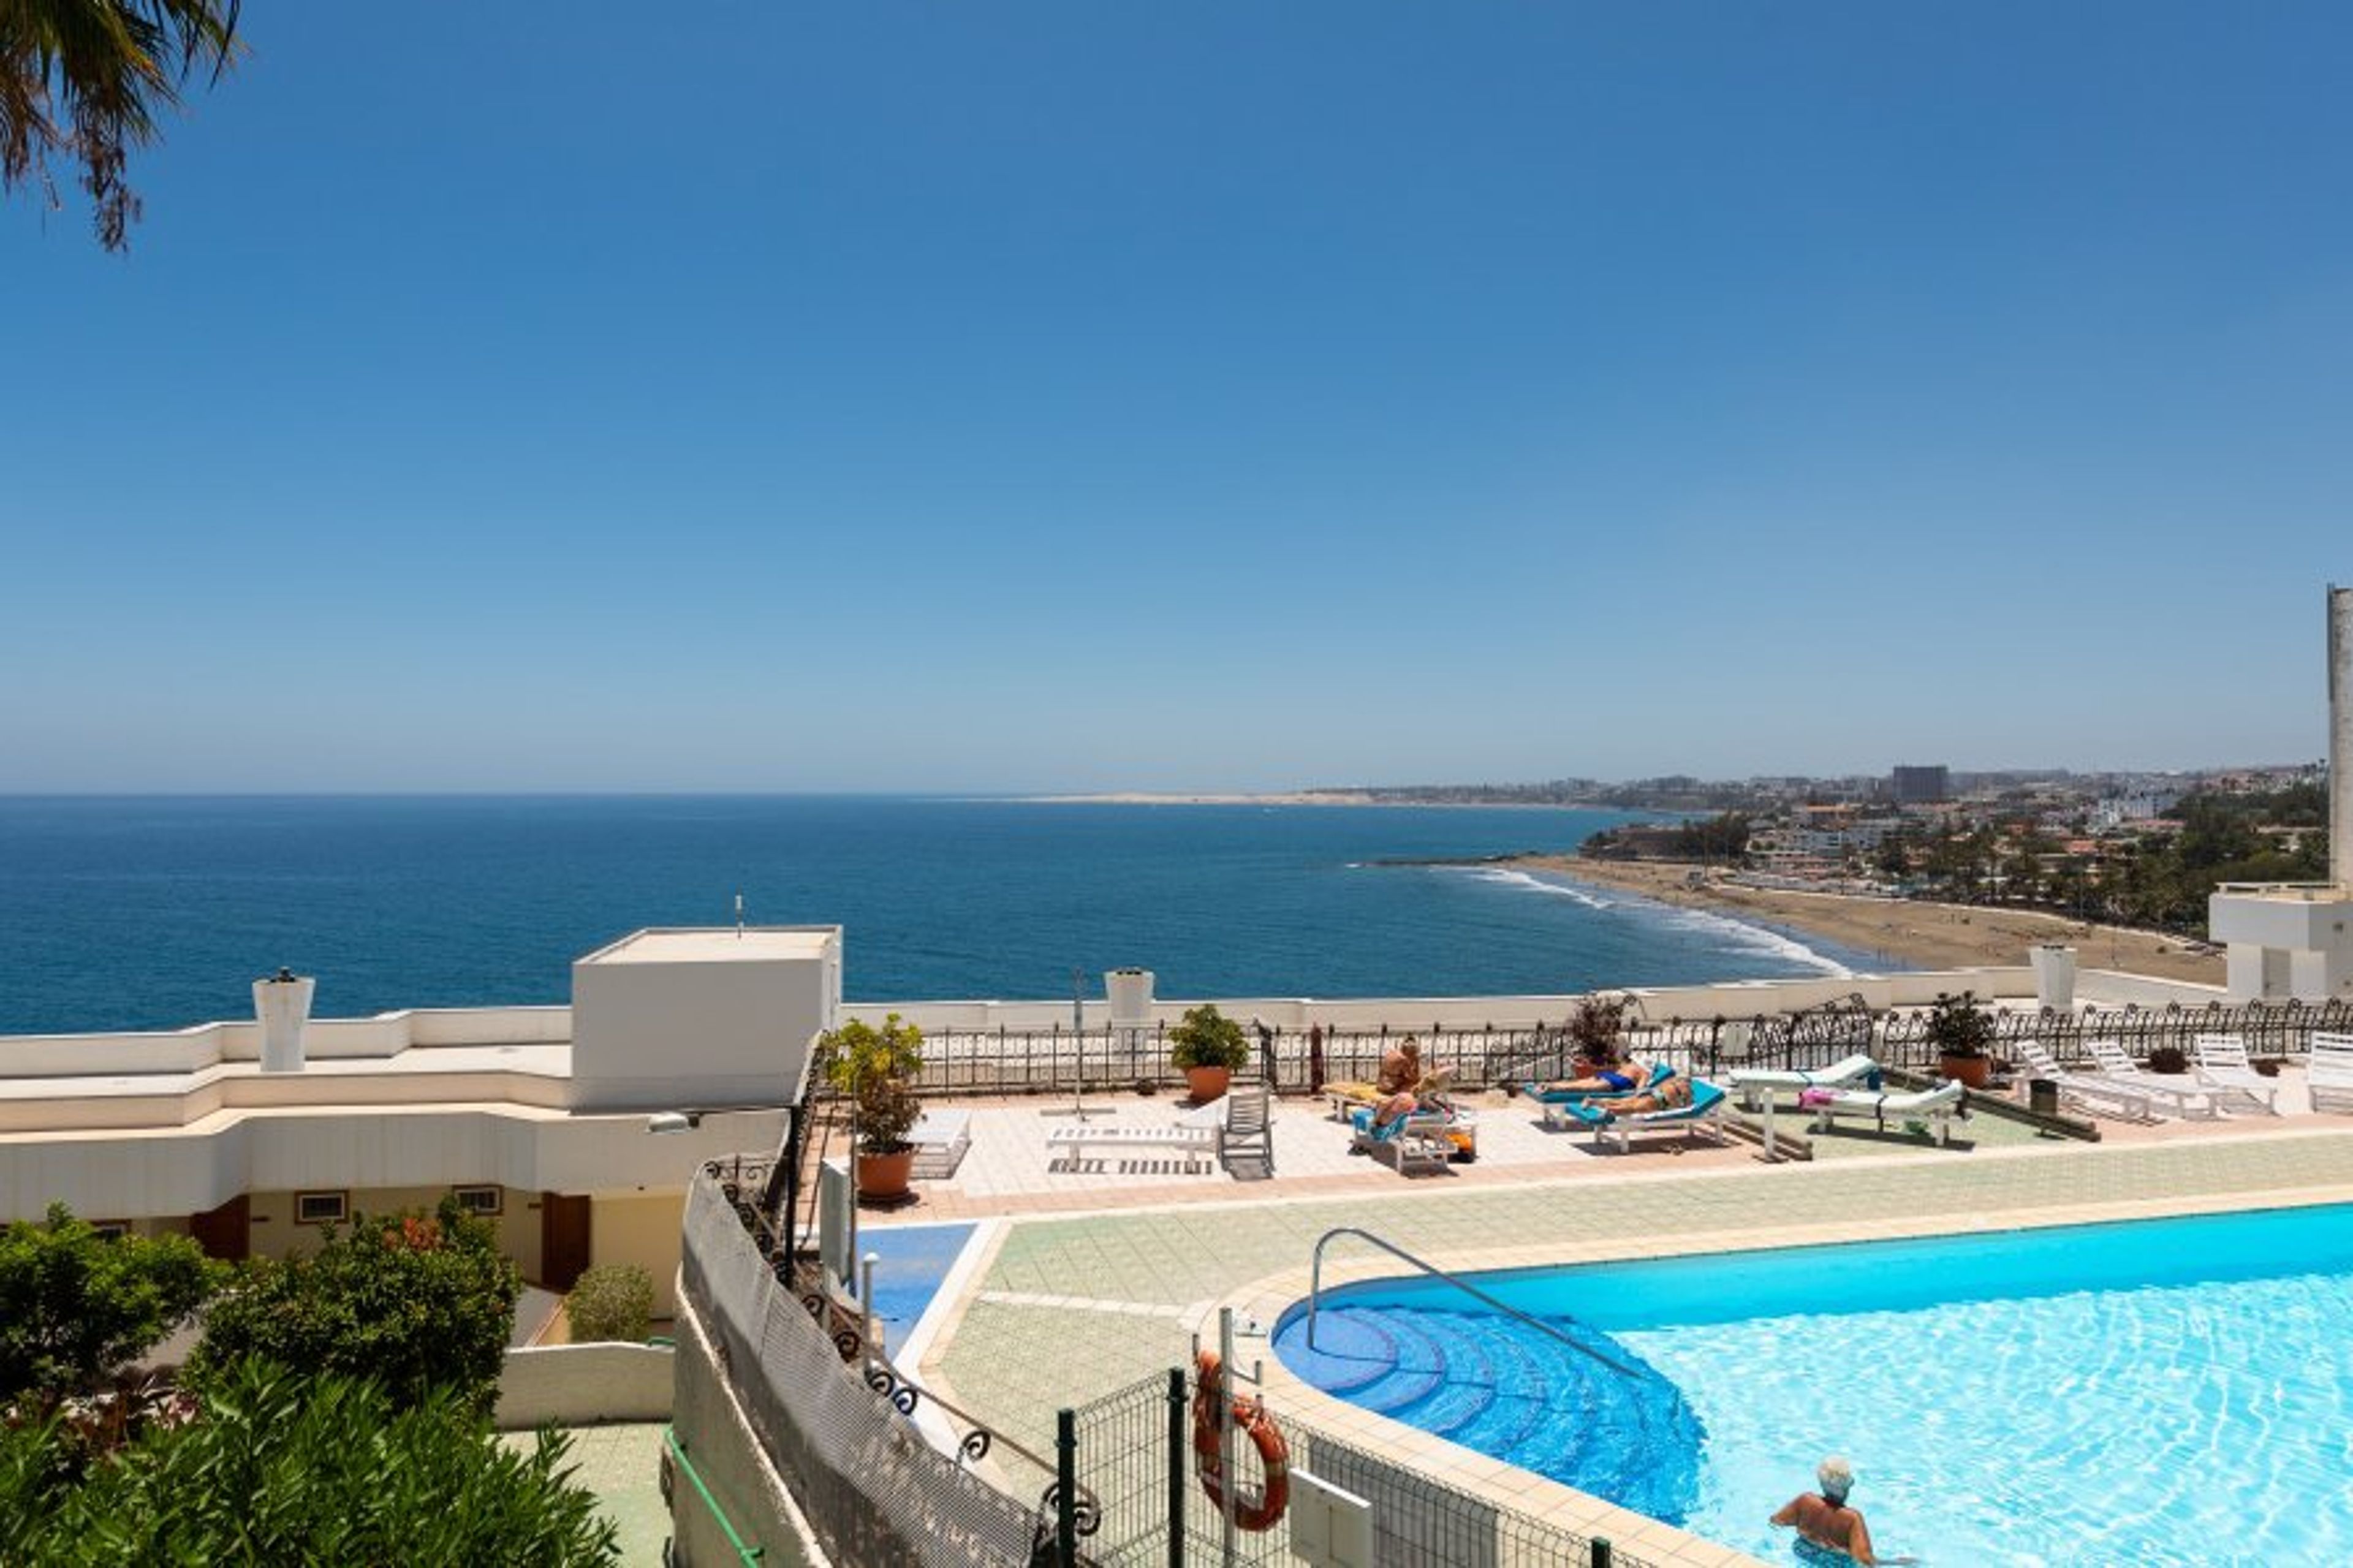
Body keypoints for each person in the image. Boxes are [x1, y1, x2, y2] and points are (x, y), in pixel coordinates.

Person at [1771, 1456, 1876, 1566]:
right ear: (1848, 1485)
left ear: (1821, 1482)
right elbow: (1866, 1561)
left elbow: (1776, 1522)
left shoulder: (1805, 1500)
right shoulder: (1852, 1518)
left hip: (1803, 1553)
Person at [1509, 1058, 1660, 1099]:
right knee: (1579, 1088)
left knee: (1574, 1083)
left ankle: (1543, 1085)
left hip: (1607, 1076)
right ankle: (1549, 1088)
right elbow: (1641, 1090)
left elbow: (1606, 1069)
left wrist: (1590, 1067)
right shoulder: (1644, 1073)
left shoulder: (1628, 1064)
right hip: (1615, 1082)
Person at [1586, 1073, 1694, 1116]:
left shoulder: (1670, 1081)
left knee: (1623, 1101)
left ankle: (1594, 1101)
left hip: (1650, 1092)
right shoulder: (1686, 1089)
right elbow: (1688, 1105)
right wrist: (1682, 1104)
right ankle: (1611, 1110)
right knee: (1633, 1109)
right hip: (1659, 1100)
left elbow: (1658, 1087)